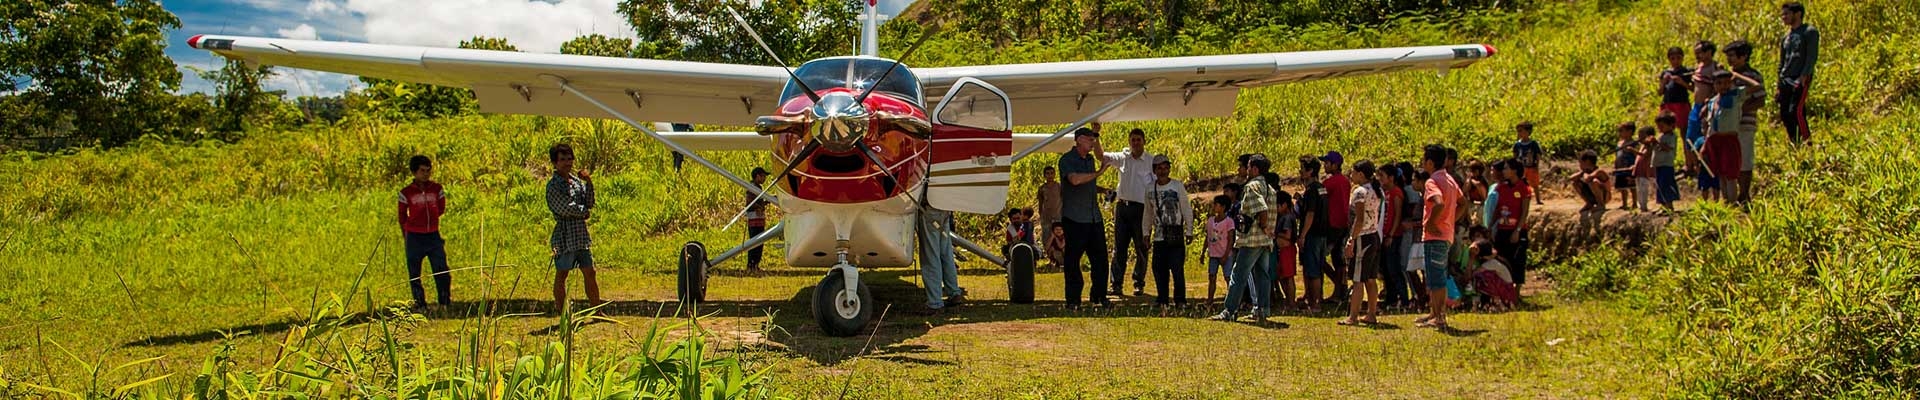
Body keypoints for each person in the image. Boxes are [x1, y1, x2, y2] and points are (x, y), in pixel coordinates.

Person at [1213, 154, 1277, 323]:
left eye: (1249, 166)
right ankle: (1262, 310)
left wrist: (1263, 226)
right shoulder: (1270, 188)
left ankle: (1230, 310)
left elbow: (1262, 209)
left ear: (1255, 169)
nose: (1247, 170)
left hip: (1252, 239)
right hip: (1264, 240)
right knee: (1262, 274)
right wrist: (1267, 230)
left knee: (1238, 273)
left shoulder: (1252, 186)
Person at [546, 143, 605, 312]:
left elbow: (589, 202)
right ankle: (562, 311)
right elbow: (564, 208)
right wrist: (583, 212)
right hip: (565, 235)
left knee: (590, 272)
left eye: (569, 158)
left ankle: (596, 310)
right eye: (562, 159)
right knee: (562, 273)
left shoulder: (576, 182)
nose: (567, 163)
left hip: (580, 234)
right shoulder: (553, 186)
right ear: (555, 163)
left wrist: (588, 182)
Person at [1058, 127, 1112, 309]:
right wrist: (1099, 172)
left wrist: (1101, 189)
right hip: (1074, 219)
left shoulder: (1089, 160)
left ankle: (1099, 296)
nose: (1093, 143)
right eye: (1090, 139)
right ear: (1080, 139)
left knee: (1101, 260)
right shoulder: (1067, 160)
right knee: (1073, 261)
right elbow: (1074, 180)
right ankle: (1073, 300)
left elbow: (1087, 183)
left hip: (1093, 218)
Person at [1099, 128, 1157, 296]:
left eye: (1138, 139)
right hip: (1123, 208)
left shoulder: (1151, 162)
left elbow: (1156, 187)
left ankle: (1139, 282)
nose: (1135, 143)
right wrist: (1096, 137)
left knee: (1142, 246)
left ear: (1144, 141)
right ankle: (1116, 284)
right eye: (1133, 140)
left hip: (1142, 209)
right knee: (1119, 247)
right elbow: (1101, 157)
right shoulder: (1123, 158)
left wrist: (1153, 211)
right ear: (1129, 141)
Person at [1416, 145, 1463, 330]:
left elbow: (1438, 203)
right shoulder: (1450, 179)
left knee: (1436, 278)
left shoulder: (1431, 182)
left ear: (1429, 162)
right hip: (1446, 234)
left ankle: (1440, 316)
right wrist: (1451, 221)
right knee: (1435, 275)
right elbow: (1463, 203)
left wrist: (1431, 224)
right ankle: (1434, 313)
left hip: (1435, 236)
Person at [399, 155, 451, 310]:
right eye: (422, 171)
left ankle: (444, 302)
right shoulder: (406, 192)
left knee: (441, 269)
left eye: (428, 171)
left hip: (433, 234)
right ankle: (420, 303)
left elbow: (441, 208)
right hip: (414, 236)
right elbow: (402, 216)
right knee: (415, 272)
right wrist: (406, 233)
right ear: (414, 172)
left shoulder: (437, 189)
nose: (426, 174)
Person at [1704, 70, 1760, 202]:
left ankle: (1733, 202)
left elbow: (1756, 86)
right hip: (1714, 139)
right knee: (1720, 174)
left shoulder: (1736, 95)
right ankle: (1726, 201)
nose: (1723, 86)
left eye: (1726, 83)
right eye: (1719, 83)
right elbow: (1710, 124)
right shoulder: (1712, 101)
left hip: (1729, 139)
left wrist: (1738, 75)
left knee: (1730, 174)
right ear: (1714, 85)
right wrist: (1706, 143)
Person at [1340, 160, 1384, 326]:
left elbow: (1359, 219)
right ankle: (1371, 313)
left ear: (1361, 174)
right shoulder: (1376, 190)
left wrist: (1351, 239)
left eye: (1353, 172)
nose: (1351, 175)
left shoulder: (1359, 192)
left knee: (1358, 278)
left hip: (1362, 236)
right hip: (1374, 235)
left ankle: (1353, 316)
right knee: (1371, 278)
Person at [1144, 155, 1192, 306]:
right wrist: (1146, 232)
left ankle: (1180, 300)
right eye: (1159, 168)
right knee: (1159, 269)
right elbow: (1148, 212)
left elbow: (1186, 208)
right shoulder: (1149, 188)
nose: (1163, 171)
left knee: (1177, 269)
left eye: (1165, 167)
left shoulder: (1177, 186)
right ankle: (1162, 298)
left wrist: (1189, 229)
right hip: (1159, 235)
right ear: (1154, 170)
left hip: (1175, 233)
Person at [1726, 40, 1768, 206]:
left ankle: (1744, 195)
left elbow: (1761, 100)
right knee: (1730, 160)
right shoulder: (1726, 75)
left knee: (1745, 160)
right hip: (1727, 126)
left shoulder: (1753, 75)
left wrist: (1741, 110)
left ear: (1743, 57)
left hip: (1745, 123)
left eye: (1732, 56)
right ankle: (1732, 196)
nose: (1729, 60)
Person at [1294, 156, 1332, 312]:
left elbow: (1310, 214)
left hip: (1312, 235)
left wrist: (1302, 235)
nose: (1300, 171)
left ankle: (1315, 304)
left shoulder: (1311, 191)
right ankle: (1313, 298)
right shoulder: (1321, 188)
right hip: (1322, 234)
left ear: (1310, 171)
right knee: (1316, 267)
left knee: (1313, 269)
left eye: (1302, 168)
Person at [1778, 1, 1818, 145]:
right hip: (1785, 79)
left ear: (1798, 14)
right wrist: (1779, 83)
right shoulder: (1786, 37)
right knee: (1784, 114)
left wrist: (1804, 74)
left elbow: (1811, 56)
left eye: (1786, 14)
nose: (1783, 17)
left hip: (1799, 78)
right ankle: (1795, 143)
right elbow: (1782, 61)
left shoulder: (1809, 32)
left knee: (1796, 111)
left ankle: (1807, 143)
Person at [1687, 41, 1724, 198]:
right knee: (1691, 139)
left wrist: (1709, 102)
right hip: (1695, 106)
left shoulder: (1716, 67)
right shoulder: (1698, 68)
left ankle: (1710, 168)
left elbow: (1719, 87)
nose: (1697, 55)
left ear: (1709, 52)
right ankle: (1698, 166)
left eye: (1700, 52)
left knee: (1706, 138)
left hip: (1707, 106)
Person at [1492, 159, 1535, 290]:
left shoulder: (1524, 188)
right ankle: (1504, 290)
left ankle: (1516, 293)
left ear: (1514, 170)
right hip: (1502, 229)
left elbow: (1524, 212)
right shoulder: (1501, 188)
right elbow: (1496, 210)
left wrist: (1517, 230)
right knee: (1502, 260)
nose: (1503, 171)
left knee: (1518, 261)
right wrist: (1490, 227)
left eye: (1506, 168)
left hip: (1516, 231)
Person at [1319, 151, 1354, 302]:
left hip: (1332, 224)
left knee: (1319, 258)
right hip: (1343, 224)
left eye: (1327, 163)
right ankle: (1340, 289)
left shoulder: (1329, 182)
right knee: (1338, 259)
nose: (1325, 166)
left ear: (1335, 165)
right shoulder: (1345, 181)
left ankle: (1338, 286)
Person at [917, 205, 965, 314]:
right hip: (945, 209)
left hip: (929, 209)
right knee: (946, 254)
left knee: (931, 256)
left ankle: (935, 303)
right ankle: (954, 293)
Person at [1376, 164, 1408, 310]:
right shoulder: (1384, 192)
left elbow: (1397, 215)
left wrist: (1391, 234)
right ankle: (1391, 298)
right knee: (1386, 270)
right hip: (1384, 235)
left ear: (1391, 178)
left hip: (1393, 236)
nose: (1380, 179)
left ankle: (1404, 299)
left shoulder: (1396, 192)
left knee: (1394, 268)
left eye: (1382, 176)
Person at [1657, 47, 1696, 147]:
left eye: (1678, 58)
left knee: (1685, 132)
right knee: (1666, 130)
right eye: (1673, 58)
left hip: (1681, 104)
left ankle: (1689, 159)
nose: (1676, 61)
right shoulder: (1666, 73)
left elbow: (1693, 89)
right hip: (1668, 104)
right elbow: (1660, 92)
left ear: (1682, 58)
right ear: (1669, 59)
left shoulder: (1686, 71)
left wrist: (1682, 82)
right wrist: (1663, 82)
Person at [1468, 240, 1518, 312]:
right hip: (1505, 289)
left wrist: (1471, 259)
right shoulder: (1495, 259)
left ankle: (1499, 303)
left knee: (1481, 277)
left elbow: (1472, 275)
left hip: (1506, 292)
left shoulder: (1492, 263)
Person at [1204, 195, 1236, 306]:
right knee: (1212, 276)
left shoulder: (1229, 222)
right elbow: (1207, 237)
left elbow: (1231, 239)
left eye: (1216, 204)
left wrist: (1226, 255)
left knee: (1228, 277)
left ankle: (1232, 300)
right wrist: (1204, 252)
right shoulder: (1210, 220)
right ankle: (1210, 299)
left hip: (1225, 254)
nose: (1214, 206)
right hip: (1213, 254)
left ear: (1223, 207)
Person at [1272, 191, 1298, 310]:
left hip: (1287, 249)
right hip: (1281, 250)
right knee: (1281, 276)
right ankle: (1287, 300)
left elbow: (1288, 235)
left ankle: (1291, 303)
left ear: (1285, 205)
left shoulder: (1287, 218)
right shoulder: (1282, 217)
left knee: (1288, 276)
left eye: (1278, 205)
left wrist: (1276, 234)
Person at [1653, 112, 1682, 212]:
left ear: (1671, 125)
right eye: (1658, 126)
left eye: (1662, 126)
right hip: (1659, 164)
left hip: (1667, 164)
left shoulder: (1671, 136)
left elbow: (1668, 148)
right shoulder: (1660, 136)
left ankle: (1669, 206)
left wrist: (1657, 143)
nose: (1659, 128)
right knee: (1660, 185)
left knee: (1667, 184)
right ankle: (1663, 206)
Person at [744, 167, 772, 272]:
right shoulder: (752, 187)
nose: (764, 178)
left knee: (759, 243)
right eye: (763, 176)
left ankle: (755, 265)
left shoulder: (758, 187)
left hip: (759, 219)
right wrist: (759, 207)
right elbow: (749, 202)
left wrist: (768, 201)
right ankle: (751, 265)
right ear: (757, 176)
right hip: (754, 220)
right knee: (754, 243)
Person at [1512, 122, 1546, 206]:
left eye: (1521, 131)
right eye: (1518, 131)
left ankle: (1538, 200)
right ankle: (1518, 199)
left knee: (1535, 184)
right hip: (1521, 168)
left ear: (1528, 132)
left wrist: (1537, 165)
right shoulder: (1517, 144)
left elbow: (1537, 155)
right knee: (1519, 184)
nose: (1519, 133)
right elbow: (1515, 156)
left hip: (1532, 167)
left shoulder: (1533, 144)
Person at [1610, 122, 1640, 211]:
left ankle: (1634, 203)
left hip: (1629, 167)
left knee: (1632, 186)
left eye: (1621, 131)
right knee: (1622, 186)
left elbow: (1637, 155)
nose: (1619, 133)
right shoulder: (1619, 143)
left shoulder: (1634, 143)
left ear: (1630, 131)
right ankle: (1624, 203)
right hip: (1620, 167)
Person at [1633, 127, 1657, 213]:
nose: (1639, 138)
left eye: (1641, 136)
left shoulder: (1650, 146)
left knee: (1643, 189)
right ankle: (1641, 206)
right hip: (1638, 171)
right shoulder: (1642, 146)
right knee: (1639, 189)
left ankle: (1644, 206)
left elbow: (1644, 155)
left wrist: (1632, 151)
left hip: (1644, 171)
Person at [1037, 166, 1062, 245]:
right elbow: (1041, 202)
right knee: (1047, 235)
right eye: (1047, 173)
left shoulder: (1059, 186)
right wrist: (1041, 214)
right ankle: (1047, 251)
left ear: (1055, 174)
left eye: (1052, 173)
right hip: (1046, 216)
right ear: (1044, 175)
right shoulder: (1042, 188)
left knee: (1059, 234)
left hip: (1058, 215)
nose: (1050, 175)